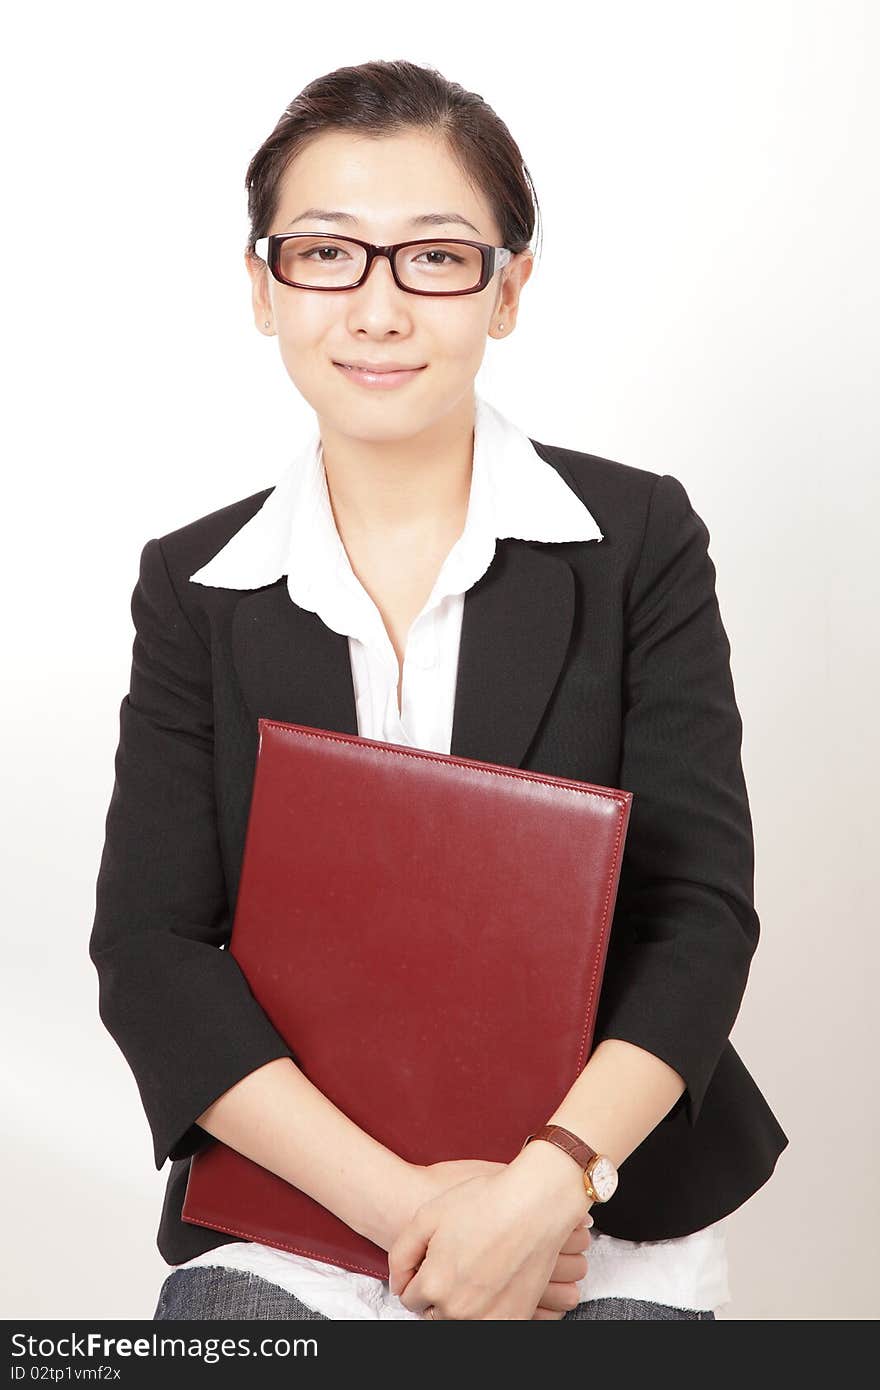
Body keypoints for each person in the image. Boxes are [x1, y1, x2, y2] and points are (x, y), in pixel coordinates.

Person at [89, 59, 788, 1323]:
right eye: (325, 255)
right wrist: (415, 1213)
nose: (376, 308)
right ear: (262, 286)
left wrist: (538, 1193)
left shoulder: (636, 539)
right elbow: (152, 951)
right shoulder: (194, 583)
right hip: (300, 1212)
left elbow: (698, 915)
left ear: (507, 288)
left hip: (597, 1212)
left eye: (434, 257)